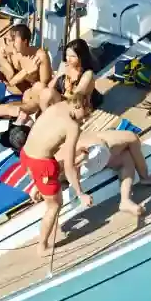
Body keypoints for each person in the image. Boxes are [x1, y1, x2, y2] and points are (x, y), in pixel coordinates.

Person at [20, 96, 94, 257]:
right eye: (85, 114)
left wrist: (75, 153)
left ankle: (38, 186)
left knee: (53, 168)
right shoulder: (72, 127)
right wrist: (81, 194)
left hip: (26, 155)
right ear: (77, 106)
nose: (85, 119)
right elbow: (68, 167)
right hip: (42, 166)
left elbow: (49, 139)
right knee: (54, 206)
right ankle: (43, 247)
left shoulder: (57, 106)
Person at [77, 126, 151, 225]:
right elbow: (132, 137)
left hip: (83, 164)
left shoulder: (77, 142)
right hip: (96, 152)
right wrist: (144, 176)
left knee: (125, 158)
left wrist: (79, 193)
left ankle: (126, 201)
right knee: (132, 139)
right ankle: (143, 180)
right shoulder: (111, 137)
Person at [0, 23, 52, 118]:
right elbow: (10, 78)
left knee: (38, 87)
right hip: (15, 88)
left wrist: (27, 73)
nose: (11, 44)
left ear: (25, 41)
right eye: (9, 40)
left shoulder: (40, 56)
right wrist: (5, 60)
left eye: (14, 40)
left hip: (30, 94)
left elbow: (44, 85)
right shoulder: (13, 53)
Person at [40, 38, 96, 111]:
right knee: (43, 90)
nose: (68, 59)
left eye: (72, 56)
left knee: (49, 93)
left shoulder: (87, 74)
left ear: (81, 57)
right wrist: (58, 75)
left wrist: (71, 84)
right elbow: (49, 87)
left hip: (78, 107)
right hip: (66, 103)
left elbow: (76, 98)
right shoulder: (64, 66)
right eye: (67, 55)